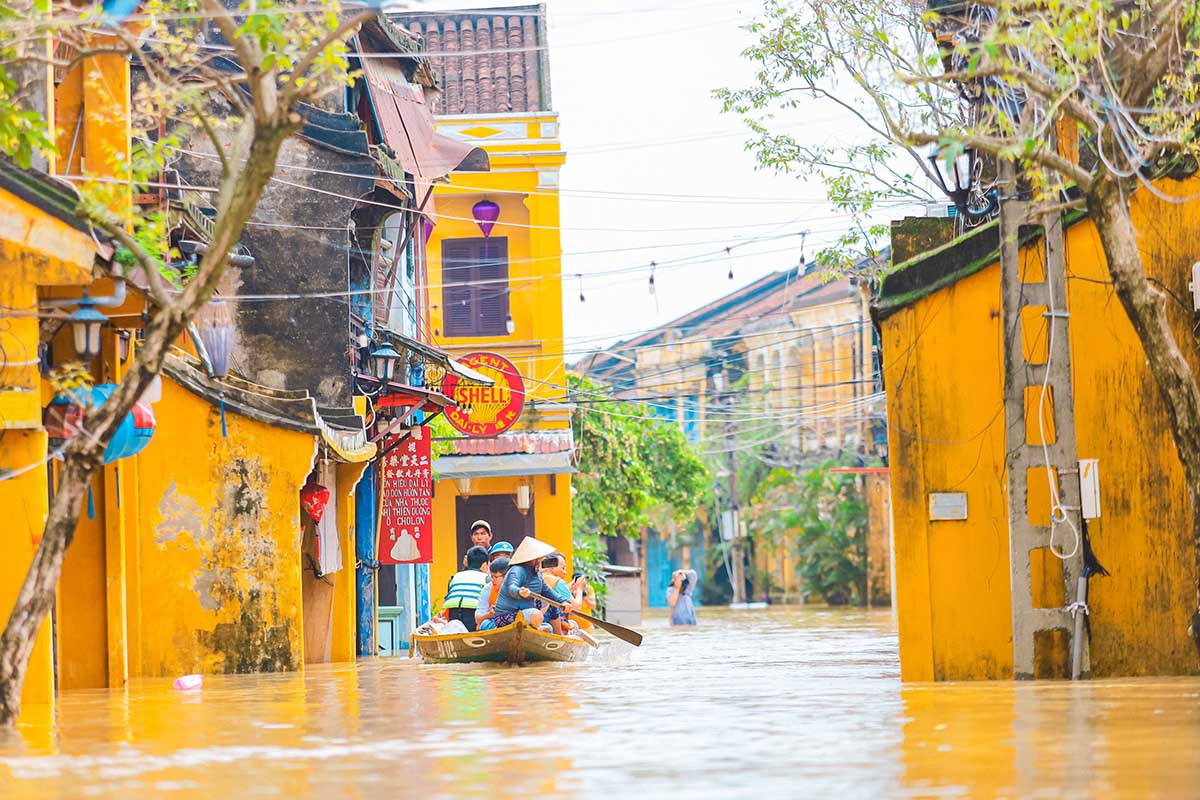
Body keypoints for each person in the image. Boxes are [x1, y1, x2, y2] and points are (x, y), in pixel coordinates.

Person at [492, 536, 573, 629]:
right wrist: (519, 592)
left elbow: (548, 592)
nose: (542, 559)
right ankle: (536, 629)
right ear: (532, 559)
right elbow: (512, 588)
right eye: (539, 558)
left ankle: (537, 629)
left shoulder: (537, 574)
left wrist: (563, 601)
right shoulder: (517, 570)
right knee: (536, 615)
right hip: (506, 617)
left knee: (548, 627)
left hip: (525, 614)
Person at [441, 545, 490, 631]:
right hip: (473, 615)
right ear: (485, 564)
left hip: (454, 613)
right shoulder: (486, 578)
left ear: (467, 562)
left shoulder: (455, 577)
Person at [539, 553, 575, 635]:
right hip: (536, 617)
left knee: (553, 605)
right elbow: (575, 609)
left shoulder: (539, 576)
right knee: (553, 606)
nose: (565, 572)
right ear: (552, 569)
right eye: (563, 568)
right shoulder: (557, 581)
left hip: (542, 617)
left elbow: (550, 593)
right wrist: (579, 589)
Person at [475, 556, 510, 631]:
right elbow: (478, 619)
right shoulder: (488, 589)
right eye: (491, 576)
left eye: (496, 577)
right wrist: (489, 615)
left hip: (516, 623)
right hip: (495, 625)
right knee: (484, 624)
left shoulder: (521, 588)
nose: (492, 580)